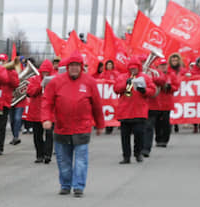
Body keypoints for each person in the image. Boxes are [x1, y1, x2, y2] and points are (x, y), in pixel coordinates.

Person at [42, 51, 105, 197]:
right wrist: (46, 118)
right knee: (64, 160)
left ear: (81, 67)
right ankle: (65, 185)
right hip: (62, 128)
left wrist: (100, 124)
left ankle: (78, 187)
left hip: (82, 128)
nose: (74, 68)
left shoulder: (89, 82)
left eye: (77, 65)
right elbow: (47, 102)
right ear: (67, 66)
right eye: (72, 65)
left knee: (81, 159)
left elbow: (96, 105)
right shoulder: (56, 82)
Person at [113, 57, 156, 163]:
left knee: (139, 134)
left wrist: (144, 90)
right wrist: (125, 84)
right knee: (125, 137)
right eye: (131, 68)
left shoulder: (144, 77)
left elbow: (153, 90)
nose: (133, 70)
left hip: (139, 111)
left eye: (135, 68)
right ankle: (126, 156)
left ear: (139, 68)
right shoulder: (123, 77)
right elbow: (116, 89)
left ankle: (138, 153)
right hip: (125, 112)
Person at [143, 58, 179, 153]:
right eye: (162, 65)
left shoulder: (171, 75)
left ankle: (164, 140)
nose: (164, 67)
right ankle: (158, 139)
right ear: (158, 67)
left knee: (166, 123)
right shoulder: (155, 74)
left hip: (167, 103)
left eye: (165, 65)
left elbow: (176, 86)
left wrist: (169, 87)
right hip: (157, 102)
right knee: (157, 123)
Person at [26, 59, 55, 164]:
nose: (45, 74)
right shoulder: (34, 79)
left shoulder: (54, 80)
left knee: (49, 134)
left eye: (47, 72)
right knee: (37, 135)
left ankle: (47, 155)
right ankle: (39, 155)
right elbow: (30, 92)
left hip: (49, 112)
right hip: (36, 111)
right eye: (43, 72)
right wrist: (40, 86)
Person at [0, 53, 20, 154]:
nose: (1, 62)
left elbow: (15, 84)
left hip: (5, 102)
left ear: (7, 61)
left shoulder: (12, 72)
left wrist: (8, 71)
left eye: (3, 61)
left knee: (1, 126)